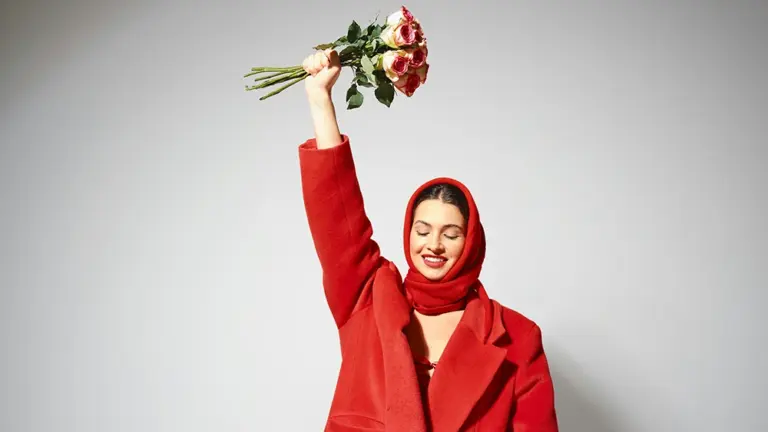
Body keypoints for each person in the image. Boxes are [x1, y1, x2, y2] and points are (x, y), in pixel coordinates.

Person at [297, 48, 559, 432]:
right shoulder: (369, 299)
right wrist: (321, 100)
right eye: (422, 231)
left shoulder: (517, 337)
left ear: (471, 243)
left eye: (450, 234)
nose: (433, 244)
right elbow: (337, 218)